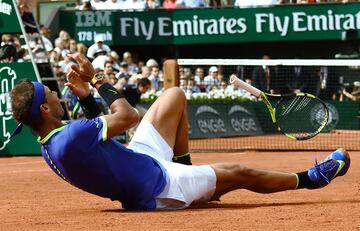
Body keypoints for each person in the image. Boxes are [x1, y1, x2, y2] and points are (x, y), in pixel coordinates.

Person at [10, 53, 351, 211]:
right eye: (51, 93)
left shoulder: (53, 144)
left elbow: (98, 134)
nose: (56, 93)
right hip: (155, 187)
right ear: (44, 108)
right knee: (240, 172)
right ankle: (310, 178)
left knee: (174, 96)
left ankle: (190, 171)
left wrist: (85, 98)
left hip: (140, 162)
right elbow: (126, 116)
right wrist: (97, 80)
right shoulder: (69, 138)